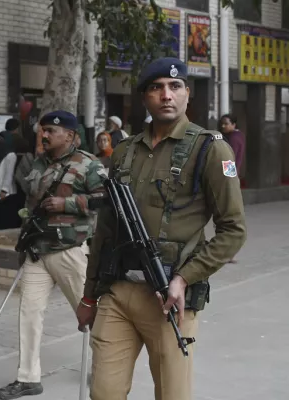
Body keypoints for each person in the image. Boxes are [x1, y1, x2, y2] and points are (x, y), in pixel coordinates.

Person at [76, 57, 247, 400]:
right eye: (156, 88)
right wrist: (89, 295)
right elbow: (106, 230)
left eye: (175, 87)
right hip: (118, 293)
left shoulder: (211, 149)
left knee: (172, 395)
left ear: (186, 95)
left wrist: (185, 278)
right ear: (145, 97)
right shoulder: (124, 151)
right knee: (103, 393)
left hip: (171, 299)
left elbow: (233, 229)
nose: (166, 95)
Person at [0, 111, 106, 400]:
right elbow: (32, 204)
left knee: (90, 314)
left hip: (70, 251)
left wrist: (68, 203)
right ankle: (28, 377)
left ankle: (105, 370)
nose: (43, 135)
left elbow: (105, 199)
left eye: (50, 131)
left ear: (68, 135)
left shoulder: (88, 164)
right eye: (42, 130)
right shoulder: (37, 163)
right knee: (29, 314)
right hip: (37, 251)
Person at [0, 130, 23, 230]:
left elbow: (9, 174)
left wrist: (4, 190)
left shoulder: (11, 155)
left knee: (5, 219)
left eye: (2, 140)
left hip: (6, 193)